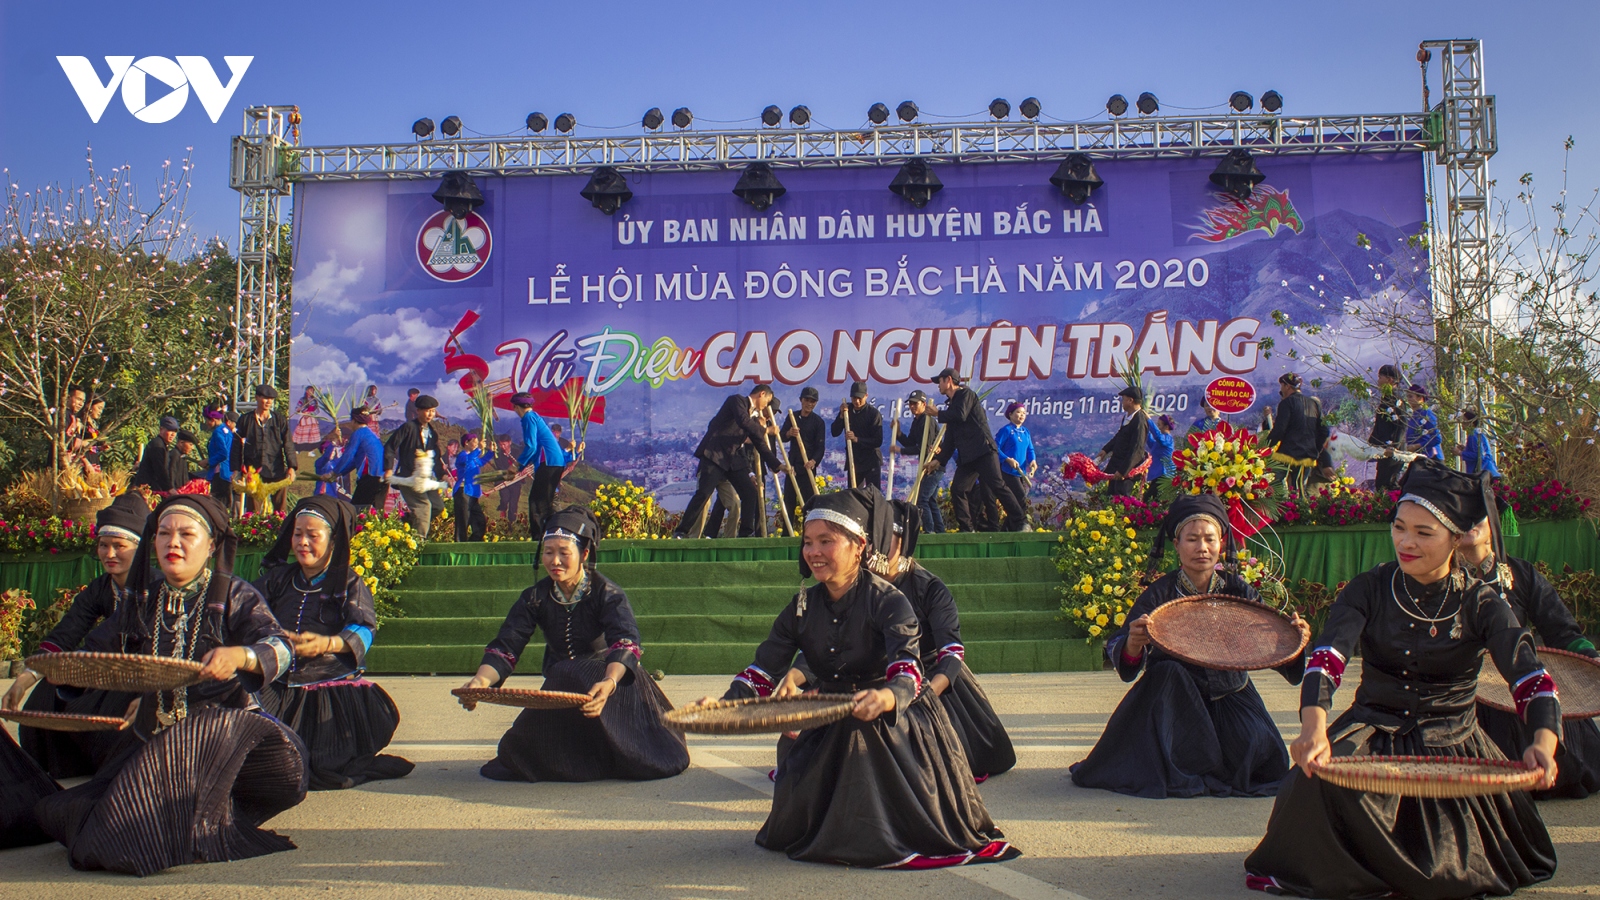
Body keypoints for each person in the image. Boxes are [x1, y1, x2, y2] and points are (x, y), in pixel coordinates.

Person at [1244, 459, 1560, 898]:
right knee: (1314, 782)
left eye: (1424, 533)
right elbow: (1327, 658)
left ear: (1454, 539)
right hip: (1374, 723)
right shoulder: (1368, 588)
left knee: (1449, 859)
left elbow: (1529, 677)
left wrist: (1543, 742)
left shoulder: (1482, 602)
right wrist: (1314, 728)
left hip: (1452, 738)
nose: (1406, 542)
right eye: (1399, 527)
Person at [702, 487, 1017, 868]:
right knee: (797, 748)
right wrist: (726, 704)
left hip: (893, 715)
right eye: (807, 542)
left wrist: (887, 697)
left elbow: (908, 667)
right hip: (832, 708)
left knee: (861, 733)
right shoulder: (802, 605)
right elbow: (764, 667)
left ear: (859, 546)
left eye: (826, 541)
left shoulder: (889, 600)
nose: (814, 551)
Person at [31, 494, 306, 876]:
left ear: (211, 546)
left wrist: (240, 656)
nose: (172, 543)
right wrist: (63, 672)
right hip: (155, 739)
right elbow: (96, 651)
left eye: (186, 534)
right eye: (163, 533)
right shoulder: (143, 600)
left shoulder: (235, 595)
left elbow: (281, 647)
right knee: (62, 811)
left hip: (222, 743)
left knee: (125, 829)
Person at [1071, 494, 1308, 798]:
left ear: (1221, 542)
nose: (1202, 548)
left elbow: (1274, 650)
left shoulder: (1239, 591)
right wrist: (1133, 642)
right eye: (1192, 539)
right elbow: (1123, 651)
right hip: (1174, 704)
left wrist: (1293, 639)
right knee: (1169, 673)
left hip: (1230, 695)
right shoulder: (1160, 594)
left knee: (1263, 761)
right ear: (1176, 544)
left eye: (1210, 539)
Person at [458, 508, 689, 782]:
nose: (555, 561)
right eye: (548, 552)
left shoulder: (606, 593)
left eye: (564, 553)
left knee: (643, 758)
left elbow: (625, 639)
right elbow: (508, 644)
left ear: (585, 554)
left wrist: (610, 682)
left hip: (609, 685)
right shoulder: (535, 597)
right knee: (514, 754)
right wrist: (480, 682)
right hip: (563, 689)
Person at [254, 495, 414, 790]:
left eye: (312, 536)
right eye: (297, 534)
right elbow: (248, 612)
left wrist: (328, 645)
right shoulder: (278, 579)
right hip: (278, 684)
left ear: (334, 540)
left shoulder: (348, 582)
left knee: (322, 764)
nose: (303, 542)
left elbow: (364, 628)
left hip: (329, 691)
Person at [4, 493, 151, 777]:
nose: (110, 554)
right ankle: (55, 768)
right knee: (48, 688)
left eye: (119, 546)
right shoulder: (99, 588)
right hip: (105, 673)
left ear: (141, 548)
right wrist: (24, 680)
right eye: (103, 545)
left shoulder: (155, 588)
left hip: (145, 681)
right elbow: (67, 633)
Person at [1458, 511, 1600, 798]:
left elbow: (1561, 630)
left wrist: (1589, 656)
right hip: (1464, 689)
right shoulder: (1437, 577)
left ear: (1493, 522)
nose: (1468, 522)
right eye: (1460, 515)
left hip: (1517, 681)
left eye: (1477, 515)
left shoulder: (1521, 574)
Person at [881, 498, 1016, 780]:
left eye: (885, 539)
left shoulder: (928, 588)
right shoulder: (860, 586)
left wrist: (921, 694)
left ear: (903, 541)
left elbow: (951, 652)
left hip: (930, 680)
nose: (876, 548)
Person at [673, 385, 790, 539]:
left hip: (732, 459)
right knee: (703, 493)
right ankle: (682, 531)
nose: (766, 406)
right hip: (714, 455)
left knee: (749, 493)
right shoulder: (736, 401)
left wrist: (778, 465)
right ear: (762, 394)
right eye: (767, 401)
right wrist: (766, 430)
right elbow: (743, 421)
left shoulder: (753, 420)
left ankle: (745, 533)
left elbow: (760, 444)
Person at [928, 368, 1025, 531]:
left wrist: (938, 413)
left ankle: (1020, 521)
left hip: (984, 451)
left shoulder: (966, 395)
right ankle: (967, 528)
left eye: (940, 381)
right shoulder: (952, 405)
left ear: (949, 380)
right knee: (958, 489)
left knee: (998, 486)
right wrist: (938, 461)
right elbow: (950, 439)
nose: (938, 385)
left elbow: (961, 414)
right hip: (968, 457)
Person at [384, 394, 447, 538]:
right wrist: (388, 469)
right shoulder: (408, 428)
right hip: (409, 476)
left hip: (425, 478)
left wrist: (442, 475)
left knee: (438, 507)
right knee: (423, 508)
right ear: (418, 411)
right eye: (427, 410)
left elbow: (436, 458)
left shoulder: (432, 433)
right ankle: (417, 546)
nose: (430, 414)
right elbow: (390, 446)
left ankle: (409, 524)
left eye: (432, 411)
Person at [510, 392, 566, 538]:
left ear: (516, 407)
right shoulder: (535, 416)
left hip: (549, 463)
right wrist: (521, 468)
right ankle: (557, 533)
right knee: (548, 501)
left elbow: (531, 447)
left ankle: (540, 538)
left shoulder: (528, 418)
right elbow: (535, 449)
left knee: (537, 503)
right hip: (555, 462)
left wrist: (516, 465)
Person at [233, 384, 296, 511]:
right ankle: (253, 530)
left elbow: (288, 443)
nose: (269, 402)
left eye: (271, 399)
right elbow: (236, 445)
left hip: (276, 469)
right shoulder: (245, 420)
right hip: (254, 472)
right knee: (253, 511)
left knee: (280, 510)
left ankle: (279, 529)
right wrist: (236, 469)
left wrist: (292, 467)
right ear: (257, 398)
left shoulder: (279, 419)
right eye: (265, 398)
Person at [1265, 374, 1327, 494]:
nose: (1281, 389)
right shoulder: (1314, 403)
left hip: (1288, 453)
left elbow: (1280, 430)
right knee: (1298, 490)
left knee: (1271, 484)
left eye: (1282, 386)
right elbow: (1324, 431)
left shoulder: (1287, 403)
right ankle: (1296, 511)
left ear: (1287, 386)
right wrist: (1315, 450)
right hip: (1308, 456)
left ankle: (1278, 510)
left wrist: (1266, 446)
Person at [894, 389, 945, 534]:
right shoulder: (917, 421)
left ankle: (930, 531)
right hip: (927, 464)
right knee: (930, 500)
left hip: (933, 466)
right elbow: (911, 442)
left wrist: (900, 451)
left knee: (923, 499)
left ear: (923, 404)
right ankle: (939, 531)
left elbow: (922, 448)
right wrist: (898, 433)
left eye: (915, 404)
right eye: (910, 404)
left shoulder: (927, 421)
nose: (912, 407)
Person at [323, 407, 386, 512]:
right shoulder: (370, 434)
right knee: (375, 514)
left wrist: (333, 473)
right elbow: (353, 461)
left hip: (371, 476)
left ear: (353, 420)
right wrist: (338, 474)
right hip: (382, 477)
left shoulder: (358, 433)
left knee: (356, 511)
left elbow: (348, 455)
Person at [1096, 386, 1150, 499]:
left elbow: (1137, 449)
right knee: (1111, 496)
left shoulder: (1139, 420)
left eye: (1124, 399)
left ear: (1130, 400)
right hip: (1117, 465)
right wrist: (1106, 450)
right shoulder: (1128, 417)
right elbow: (1120, 436)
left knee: (1121, 499)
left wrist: (1123, 471)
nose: (1122, 403)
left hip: (1127, 471)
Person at [782, 386, 826, 514]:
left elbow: (820, 447)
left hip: (808, 467)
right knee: (789, 502)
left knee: (809, 503)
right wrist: (789, 433)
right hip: (793, 466)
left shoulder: (818, 422)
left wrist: (813, 461)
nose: (809, 404)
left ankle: (808, 532)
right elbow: (782, 436)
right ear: (801, 400)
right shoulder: (792, 417)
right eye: (807, 400)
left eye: (812, 401)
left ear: (816, 403)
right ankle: (786, 533)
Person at [832, 381, 885, 490]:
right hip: (854, 460)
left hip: (871, 460)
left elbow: (877, 441)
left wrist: (857, 439)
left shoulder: (873, 414)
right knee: (854, 494)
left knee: (873, 494)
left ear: (866, 396)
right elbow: (834, 432)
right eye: (854, 398)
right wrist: (841, 416)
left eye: (859, 398)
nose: (856, 401)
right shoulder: (847, 411)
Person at [995, 402, 1037, 528]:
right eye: (1018, 412)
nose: (1021, 415)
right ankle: (1022, 525)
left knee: (1017, 502)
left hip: (1021, 472)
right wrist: (1007, 459)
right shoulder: (1006, 430)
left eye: (1024, 413)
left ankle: (1006, 529)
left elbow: (1030, 450)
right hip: (1008, 472)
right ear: (1010, 414)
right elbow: (995, 448)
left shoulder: (1025, 432)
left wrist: (1033, 461)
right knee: (1021, 499)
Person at [1369, 364, 1406, 490]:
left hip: (1392, 452)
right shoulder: (1386, 399)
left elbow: (1401, 425)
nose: (1378, 381)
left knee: (1388, 485)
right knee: (1381, 484)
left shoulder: (1396, 401)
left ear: (1390, 380)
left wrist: (1393, 446)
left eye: (1380, 377)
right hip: (1383, 450)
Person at [452, 431, 495, 542]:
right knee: (463, 523)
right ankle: (460, 548)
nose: (476, 444)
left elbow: (481, 461)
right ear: (466, 443)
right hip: (463, 492)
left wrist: (491, 452)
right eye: (474, 442)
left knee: (480, 522)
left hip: (473, 494)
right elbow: (468, 460)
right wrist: (479, 449)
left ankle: (472, 544)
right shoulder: (462, 456)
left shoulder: (474, 457)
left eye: (477, 443)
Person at [130, 415, 181, 495]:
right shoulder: (157, 445)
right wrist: (169, 489)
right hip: (147, 489)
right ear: (161, 429)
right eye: (170, 430)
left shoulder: (162, 445)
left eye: (175, 431)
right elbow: (160, 469)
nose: (173, 434)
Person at [204, 408, 236, 506]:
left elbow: (223, 453)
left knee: (217, 505)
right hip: (228, 473)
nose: (206, 423)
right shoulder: (226, 431)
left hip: (220, 475)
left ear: (212, 420)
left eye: (206, 420)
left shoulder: (218, 432)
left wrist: (209, 462)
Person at [1404, 383, 1442, 460]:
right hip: (1417, 457)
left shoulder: (1427, 414)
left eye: (1411, 396)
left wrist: (1416, 446)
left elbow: (1437, 438)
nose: (1408, 399)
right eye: (1407, 396)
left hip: (1431, 458)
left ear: (1420, 398)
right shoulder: (1415, 415)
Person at [1460, 409, 1500, 479]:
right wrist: (1465, 449)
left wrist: (1460, 453)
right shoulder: (1478, 433)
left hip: (1482, 473)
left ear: (1471, 423)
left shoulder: (1472, 435)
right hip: (1490, 470)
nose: (1462, 423)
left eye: (1464, 421)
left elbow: (1478, 455)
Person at [1144, 413, 1176, 500]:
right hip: (1158, 475)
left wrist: (1149, 420)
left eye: (1159, 425)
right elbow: (1151, 442)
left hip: (1164, 474)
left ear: (1166, 427)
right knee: (1149, 499)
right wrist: (1145, 426)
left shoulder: (1168, 439)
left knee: (1150, 500)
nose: (1158, 427)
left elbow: (1158, 436)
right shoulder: (1159, 442)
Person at [495, 435, 521, 523]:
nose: (503, 447)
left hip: (516, 482)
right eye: (501, 445)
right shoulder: (498, 455)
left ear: (510, 442)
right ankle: (503, 509)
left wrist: (521, 470)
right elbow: (501, 468)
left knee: (513, 504)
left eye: (504, 444)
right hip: (504, 481)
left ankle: (511, 523)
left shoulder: (517, 452)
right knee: (505, 498)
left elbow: (521, 464)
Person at [312, 433, 347, 498]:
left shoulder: (336, 462)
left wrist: (342, 441)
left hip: (335, 492)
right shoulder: (319, 462)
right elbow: (327, 457)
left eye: (334, 451)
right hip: (322, 492)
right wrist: (333, 442)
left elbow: (346, 458)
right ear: (323, 451)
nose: (332, 452)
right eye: (331, 450)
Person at [293, 385, 323, 450]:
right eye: (310, 390)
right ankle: (298, 449)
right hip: (304, 418)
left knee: (311, 435)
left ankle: (310, 450)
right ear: (306, 391)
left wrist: (311, 414)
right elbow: (297, 408)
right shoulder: (302, 399)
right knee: (302, 435)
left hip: (312, 418)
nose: (311, 392)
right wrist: (299, 409)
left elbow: (317, 410)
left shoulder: (314, 400)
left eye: (312, 391)